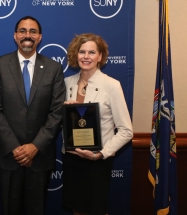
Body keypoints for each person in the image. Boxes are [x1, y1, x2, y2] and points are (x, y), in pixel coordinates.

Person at [0, 16, 66, 215]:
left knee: (36, 209)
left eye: (32, 31)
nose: (27, 35)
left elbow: (57, 111)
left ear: (39, 37)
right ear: (15, 36)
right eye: (22, 31)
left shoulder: (54, 68)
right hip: (9, 157)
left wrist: (35, 146)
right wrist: (15, 147)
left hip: (40, 157)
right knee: (10, 209)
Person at [62, 33, 133, 215]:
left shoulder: (111, 85)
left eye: (92, 52)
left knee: (96, 210)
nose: (86, 57)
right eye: (82, 52)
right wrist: (63, 113)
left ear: (100, 56)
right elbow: (60, 124)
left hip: (96, 162)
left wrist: (100, 154)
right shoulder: (66, 84)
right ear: (75, 55)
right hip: (72, 159)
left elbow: (126, 130)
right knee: (76, 210)